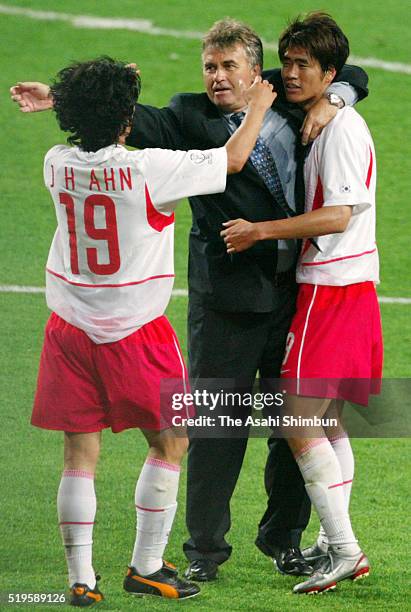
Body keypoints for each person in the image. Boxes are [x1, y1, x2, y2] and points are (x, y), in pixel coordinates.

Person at [10, 18, 369, 581]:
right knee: (213, 425)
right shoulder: (184, 116)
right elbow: (119, 118)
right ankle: (205, 549)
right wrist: (60, 97)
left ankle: (285, 540)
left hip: (295, 292)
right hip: (224, 296)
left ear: (257, 72)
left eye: (229, 67)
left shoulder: (294, 92)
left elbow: (352, 71)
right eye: (209, 67)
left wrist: (338, 97)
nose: (218, 78)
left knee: (292, 426)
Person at [24, 56, 276, 605]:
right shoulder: (150, 169)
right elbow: (233, 159)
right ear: (126, 120)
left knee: (78, 455)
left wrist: (84, 98)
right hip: (136, 330)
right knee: (172, 440)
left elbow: (91, 128)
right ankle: (145, 567)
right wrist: (258, 105)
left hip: (68, 330)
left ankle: (81, 580)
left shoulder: (55, 162)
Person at [221, 12, 382, 594]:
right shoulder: (328, 112)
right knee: (326, 420)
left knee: (295, 417)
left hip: (331, 288)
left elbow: (339, 215)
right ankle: (330, 541)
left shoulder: (339, 130)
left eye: (302, 66)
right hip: (351, 286)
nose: (289, 74)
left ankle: (344, 548)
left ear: (328, 73)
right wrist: (336, 94)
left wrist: (262, 230)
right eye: (286, 62)